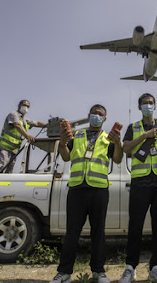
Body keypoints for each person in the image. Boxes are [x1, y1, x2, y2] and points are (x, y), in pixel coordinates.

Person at [50, 104, 123, 283]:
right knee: (72, 232)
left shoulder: (108, 138)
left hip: (99, 189)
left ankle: (98, 272)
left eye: (100, 115)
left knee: (98, 233)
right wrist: (62, 142)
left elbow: (118, 159)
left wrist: (118, 142)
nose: (97, 116)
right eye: (94, 113)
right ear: (88, 115)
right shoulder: (78, 135)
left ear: (105, 120)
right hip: (77, 189)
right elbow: (66, 157)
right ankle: (64, 272)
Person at [118, 93, 157, 283]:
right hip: (140, 182)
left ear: (155, 105)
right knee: (135, 226)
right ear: (139, 107)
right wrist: (145, 136)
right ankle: (130, 267)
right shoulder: (134, 127)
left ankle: (155, 268)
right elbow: (126, 148)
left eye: (151, 103)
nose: (148, 106)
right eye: (145, 103)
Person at [0, 100, 47, 173]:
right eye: (24, 105)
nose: (26, 107)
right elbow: (17, 125)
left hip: (14, 151)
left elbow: (37, 123)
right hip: (4, 149)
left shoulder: (25, 120)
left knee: (8, 173)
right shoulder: (13, 115)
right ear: (19, 106)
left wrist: (48, 125)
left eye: (28, 106)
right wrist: (27, 136)